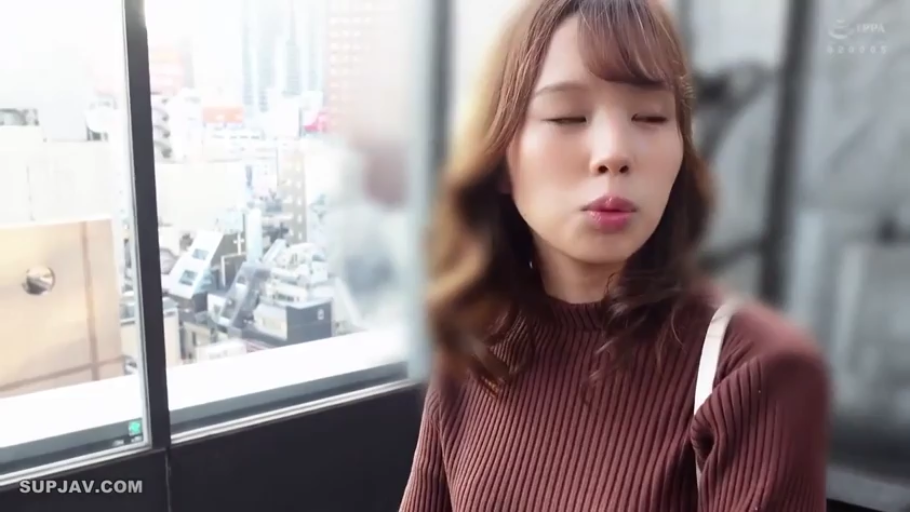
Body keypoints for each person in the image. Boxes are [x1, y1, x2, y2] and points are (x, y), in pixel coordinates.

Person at [400, 0, 831, 511]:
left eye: (650, 116)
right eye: (567, 116)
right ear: (500, 161)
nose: (614, 152)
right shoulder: (479, 349)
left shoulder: (757, 369)